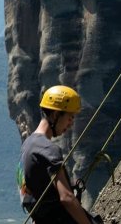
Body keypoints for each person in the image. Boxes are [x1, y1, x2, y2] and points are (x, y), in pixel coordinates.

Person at [21, 85, 93, 224]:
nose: (71, 124)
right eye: (70, 117)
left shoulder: (28, 145)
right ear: (55, 114)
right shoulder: (48, 149)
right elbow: (67, 198)